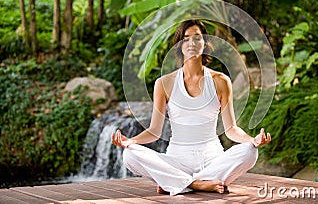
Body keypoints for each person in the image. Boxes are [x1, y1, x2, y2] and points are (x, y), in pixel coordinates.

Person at [111, 19, 271, 195]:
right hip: (177, 161)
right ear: (179, 45)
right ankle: (197, 184)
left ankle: (176, 182)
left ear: (205, 43)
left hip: (213, 160)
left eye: (197, 38)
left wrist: (252, 140)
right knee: (130, 155)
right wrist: (131, 141)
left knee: (250, 152)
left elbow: (231, 129)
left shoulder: (221, 81)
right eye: (186, 39)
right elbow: (154, 131)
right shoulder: (164, 83)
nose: (191, 43)